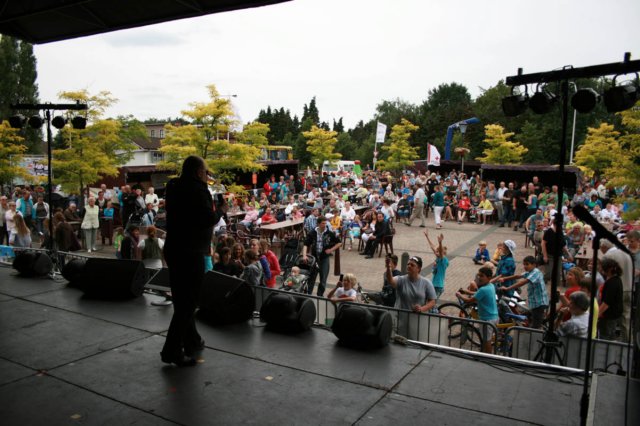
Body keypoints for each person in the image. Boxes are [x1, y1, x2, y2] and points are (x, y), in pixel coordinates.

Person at [161, 155, 226, 367]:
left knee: (181, 299)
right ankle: (171, 350)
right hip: (191, 251)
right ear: (199, 172)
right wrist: (221, 210)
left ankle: (192, 339)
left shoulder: (173, 186)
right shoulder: (199, 190)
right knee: (188, 303)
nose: (207, 175)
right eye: (206, 172)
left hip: (173, 247)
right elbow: (207, 219)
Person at [498, 256, 549, 329]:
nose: (525, 266)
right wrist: (504, 278)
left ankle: (536, 335)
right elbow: (518, 276)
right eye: (524, 264)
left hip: (539, 303)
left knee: (535, 327)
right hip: (535, 302)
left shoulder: (535, 272)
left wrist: (507, 288)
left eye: (527, 264)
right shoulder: (530, 272)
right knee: (531, 318)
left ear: (534, 264)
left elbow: (523, 282)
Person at [456, 266, 499, 353]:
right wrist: (466, 292)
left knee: (487, 341)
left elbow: (469, 300)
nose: (479, 278)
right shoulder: (490, 286)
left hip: (487, 319)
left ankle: (488, 357)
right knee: (486, 339)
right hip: (493, 317)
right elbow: (478, 293)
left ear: (489, 277)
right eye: (478, 275)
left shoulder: (483, 289)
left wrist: (460, 296)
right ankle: (484, 354)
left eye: (482, 276)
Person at [302, 216, 341, 297]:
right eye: (323, 223)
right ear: (318, 224)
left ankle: (320, 295)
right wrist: (304, 255)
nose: (324, 225)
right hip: (314, 259)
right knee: (311, 277)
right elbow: (306, 244)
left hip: (324, 258)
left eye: (325, 223)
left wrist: (331, 250)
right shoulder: (312, 233)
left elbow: (339, 243)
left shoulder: (329, 233)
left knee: (323, 279)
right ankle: (308, 294)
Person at [598, 257, 624, 341]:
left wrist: (597, 314)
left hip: (609, 315)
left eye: (603, 268)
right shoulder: (616, 279)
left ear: (608, 270)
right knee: (610, 335)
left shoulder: (612, 283)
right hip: (613, 314)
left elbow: (607, 302)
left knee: (605, 337)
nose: (601, 270)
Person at [425, 230, 448, 301]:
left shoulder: (443, 260)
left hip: (438, 286)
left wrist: (440, 243)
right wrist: (427, 237)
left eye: (438, 251)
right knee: (429, 301)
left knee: (432, 302)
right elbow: (432, 247)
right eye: (436, 251)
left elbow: (440, 252)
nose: (436, 252)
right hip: (434, 284)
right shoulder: (437, 259)